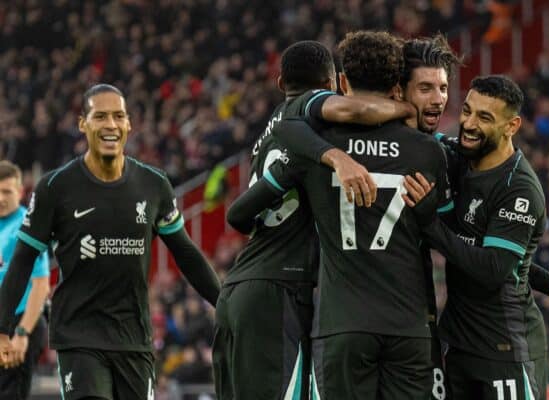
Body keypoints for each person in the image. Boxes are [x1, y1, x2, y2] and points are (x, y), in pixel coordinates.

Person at [227, 31, 453, 400]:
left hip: (342, 322)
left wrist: (334, 157)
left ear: (343, 83)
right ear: (397, 87)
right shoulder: (429, 152)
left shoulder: (316, 144)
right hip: (409, 323)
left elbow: (240, 212)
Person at [0, 84, 221, 400]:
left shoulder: (154, 185)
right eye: (100, 116)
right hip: (79, 335)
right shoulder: (56, 187)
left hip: (134, 337)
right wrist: (3, 328)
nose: (110, 125)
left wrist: (224, 305)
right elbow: (22, 260)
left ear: (129, 124)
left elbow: (185, 253)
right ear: (83, 124)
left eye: (118, 116)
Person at [404, 75, 549, 399]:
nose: (469, 123)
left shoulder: (519, 189)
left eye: (485, 117)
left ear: (512, 126)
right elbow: (486, 248)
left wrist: (429, 223)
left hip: (503, 348)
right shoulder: (460, 157)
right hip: (457, 342)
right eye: (467, 111)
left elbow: (493, 268)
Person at [0, 161, 50, 400]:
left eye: (7, 191)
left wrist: (22, 334)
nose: (0, 198)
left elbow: (41, 285)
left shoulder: (28, 226)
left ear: (20, 192)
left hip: (18, 322)